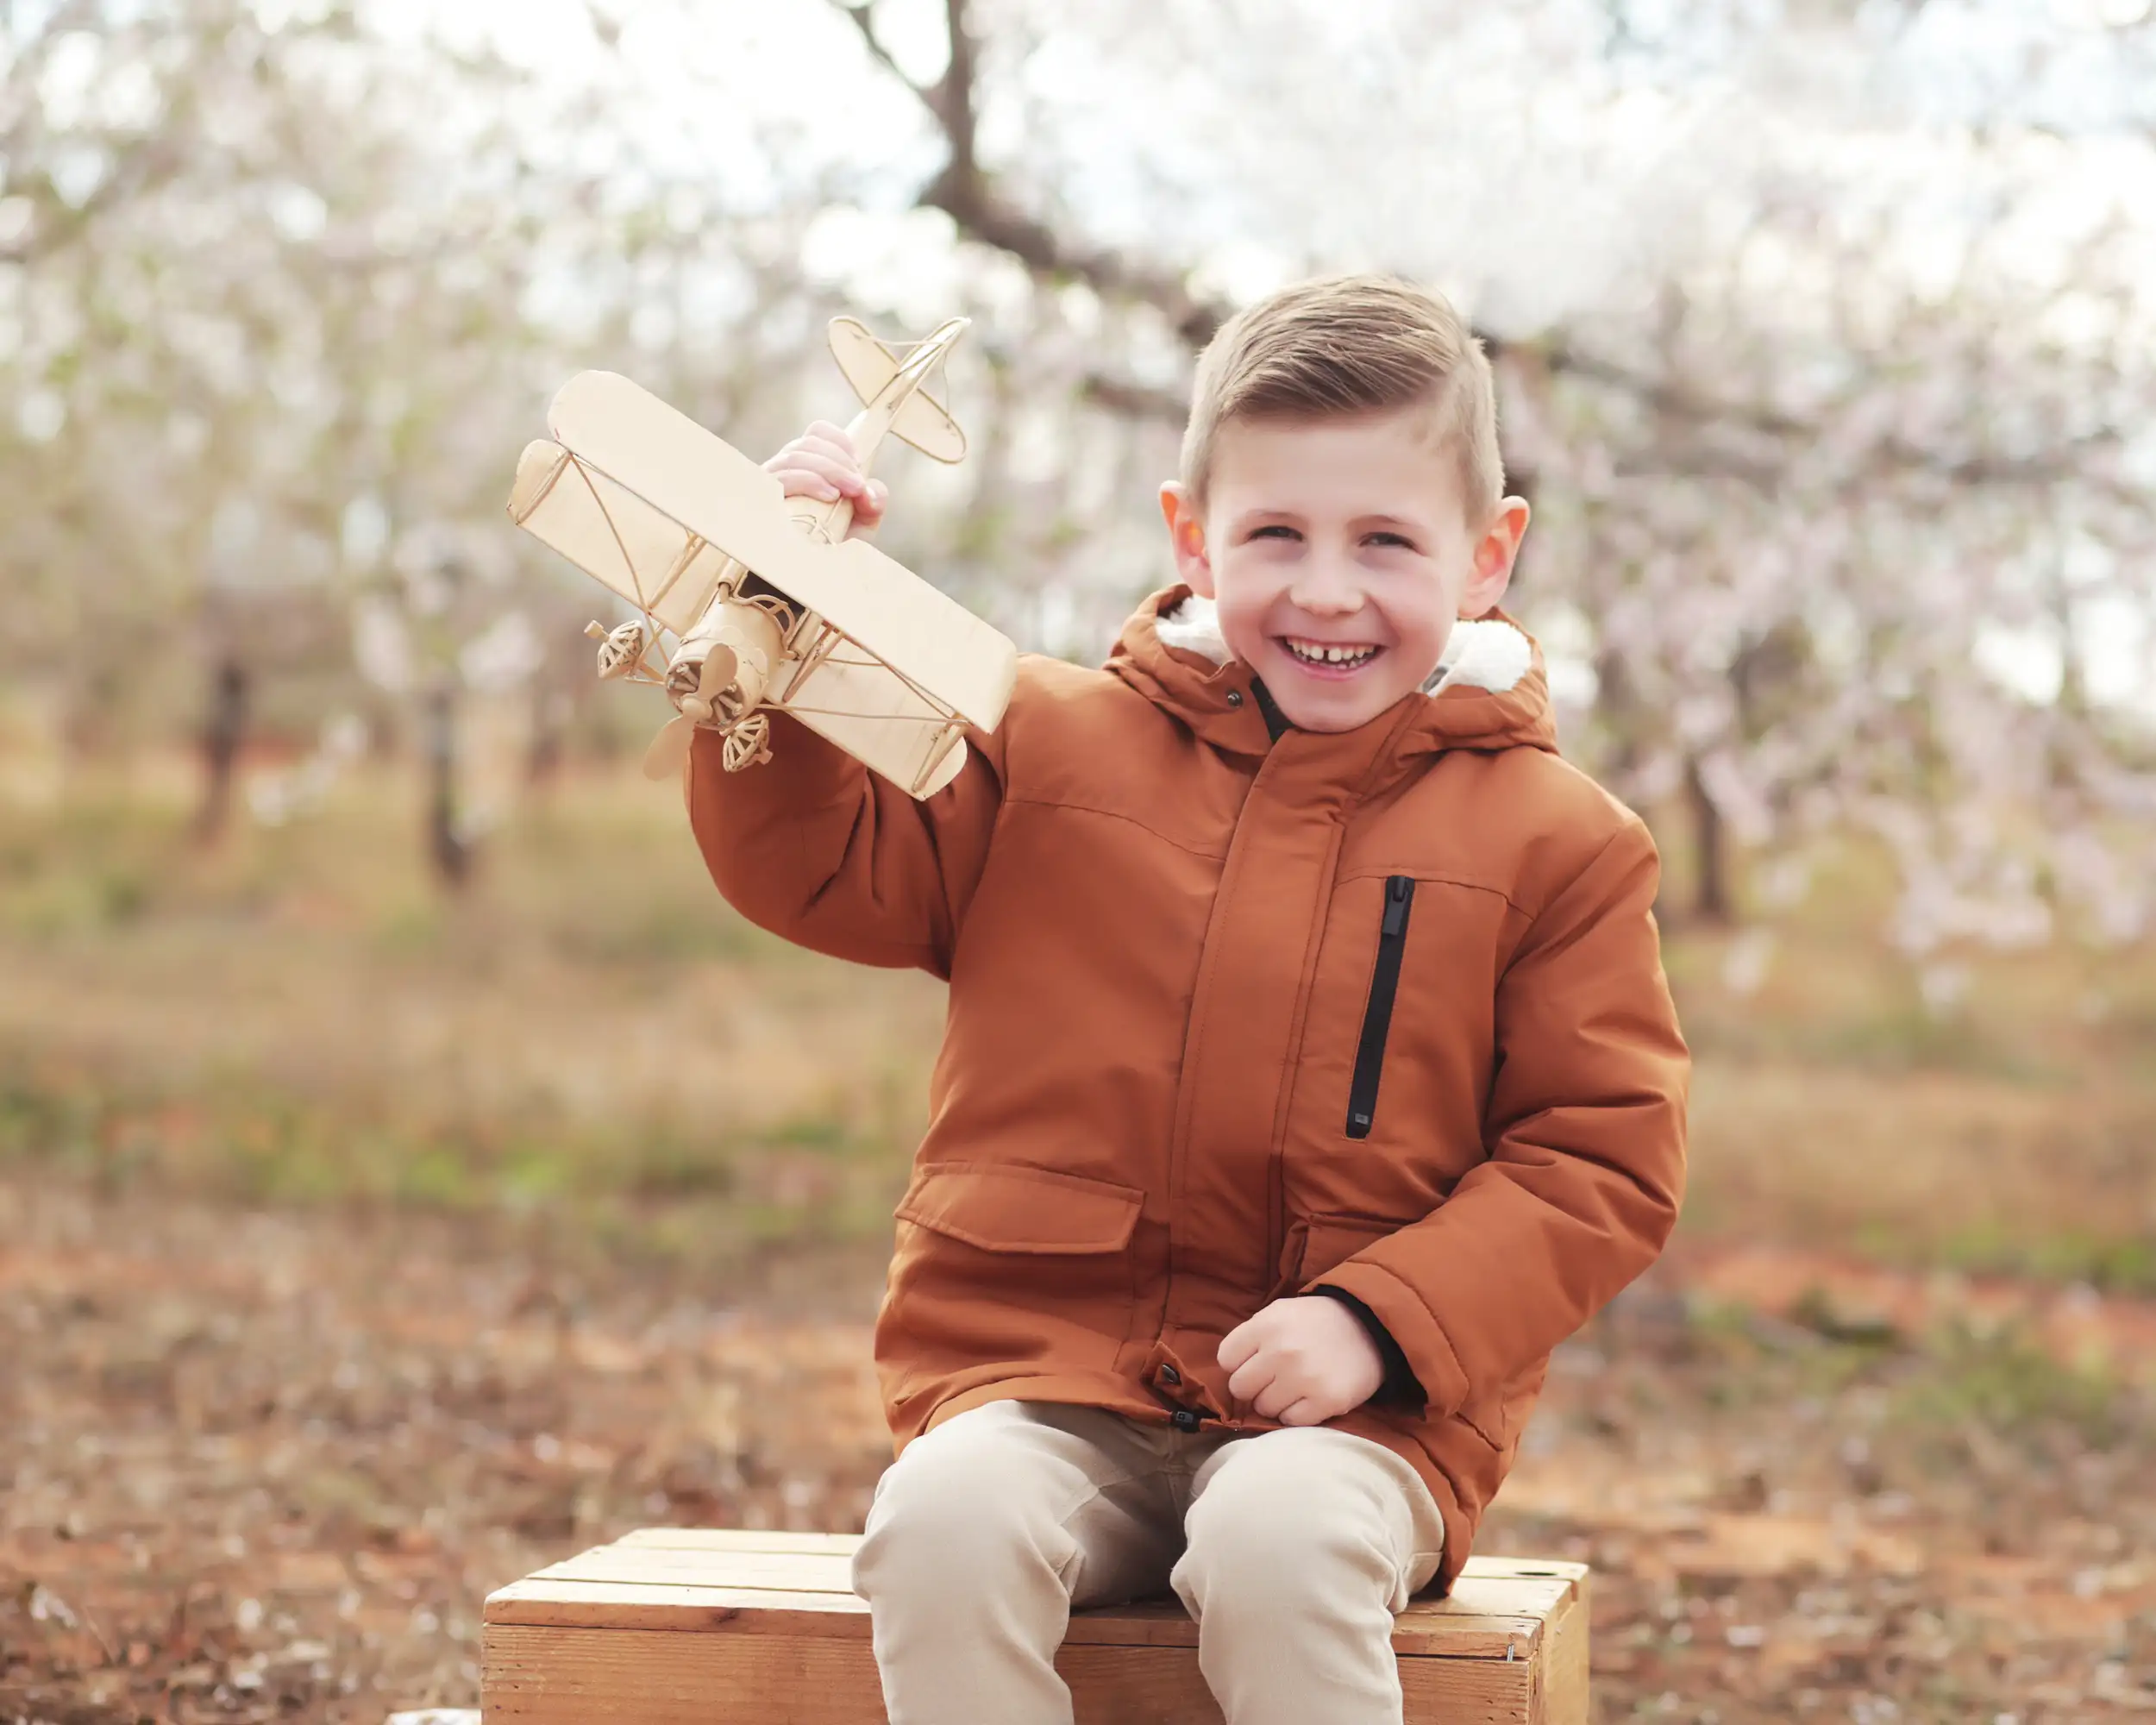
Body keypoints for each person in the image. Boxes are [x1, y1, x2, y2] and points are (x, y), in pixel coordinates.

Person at [686, 273, 1689, 1725]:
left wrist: (1380, 1320)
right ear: (1190, 537)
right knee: (941, 1528)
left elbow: (1600, 1156)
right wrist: (771, 633)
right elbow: (827, 872)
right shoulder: (1048, 745)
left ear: (1487, 557)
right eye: (1275, 533)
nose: (1327, 589)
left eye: (1386, 542)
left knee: (1278, 1547)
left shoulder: (1557, 843)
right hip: (1044, 1378)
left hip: (1359, 1424)